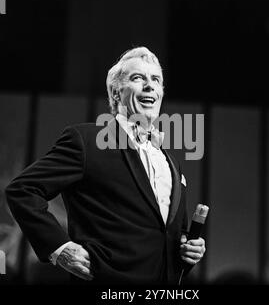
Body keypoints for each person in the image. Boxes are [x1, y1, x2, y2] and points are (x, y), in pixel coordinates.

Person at [5, 47, 205, 285]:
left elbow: (167, 234)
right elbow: (23, 190)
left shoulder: (171, 162)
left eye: (156, 80)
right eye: (138, 78)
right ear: (116, 92)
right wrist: (60, 248)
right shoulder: (87, 141)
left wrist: (187, 250)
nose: (150, 86)